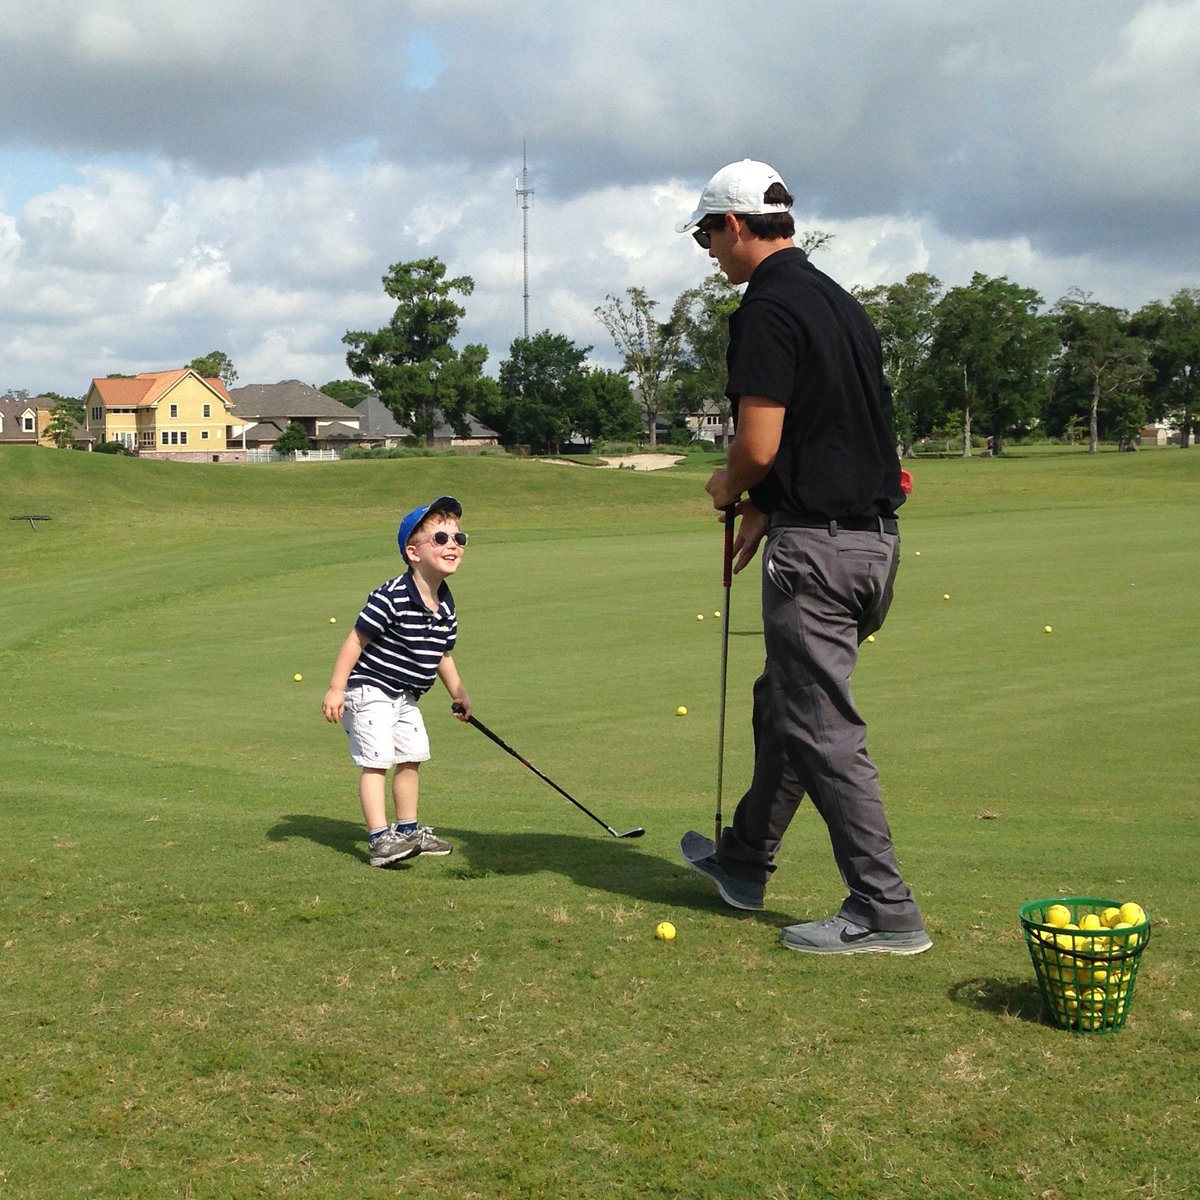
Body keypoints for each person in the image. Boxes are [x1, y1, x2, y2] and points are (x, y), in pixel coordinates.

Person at [675, 159, 931, 955]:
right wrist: (765, 504)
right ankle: (745, 859)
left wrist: (729, 486)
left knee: (821, 726)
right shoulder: (839, 305)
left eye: (707, 234)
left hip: (817, 554)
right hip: (870, 545)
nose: (709, 251)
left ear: (738, 226)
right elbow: (837, 432)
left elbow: (758, 443)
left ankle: (884, 910)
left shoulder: (768, 308)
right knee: (784, 704)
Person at [322, 496, 472, 868]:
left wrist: (459, 693)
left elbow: (442, 655)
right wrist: (337, 688)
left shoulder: (446, 603)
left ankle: (407, 831)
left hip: (405, 696)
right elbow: (356, 640)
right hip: (369, 689)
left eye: (458, 538)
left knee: (411, 757)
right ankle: (378, 840)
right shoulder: (390, 596)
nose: (452, 544)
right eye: (440, 538)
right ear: (413, 552)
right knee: (377, 761)